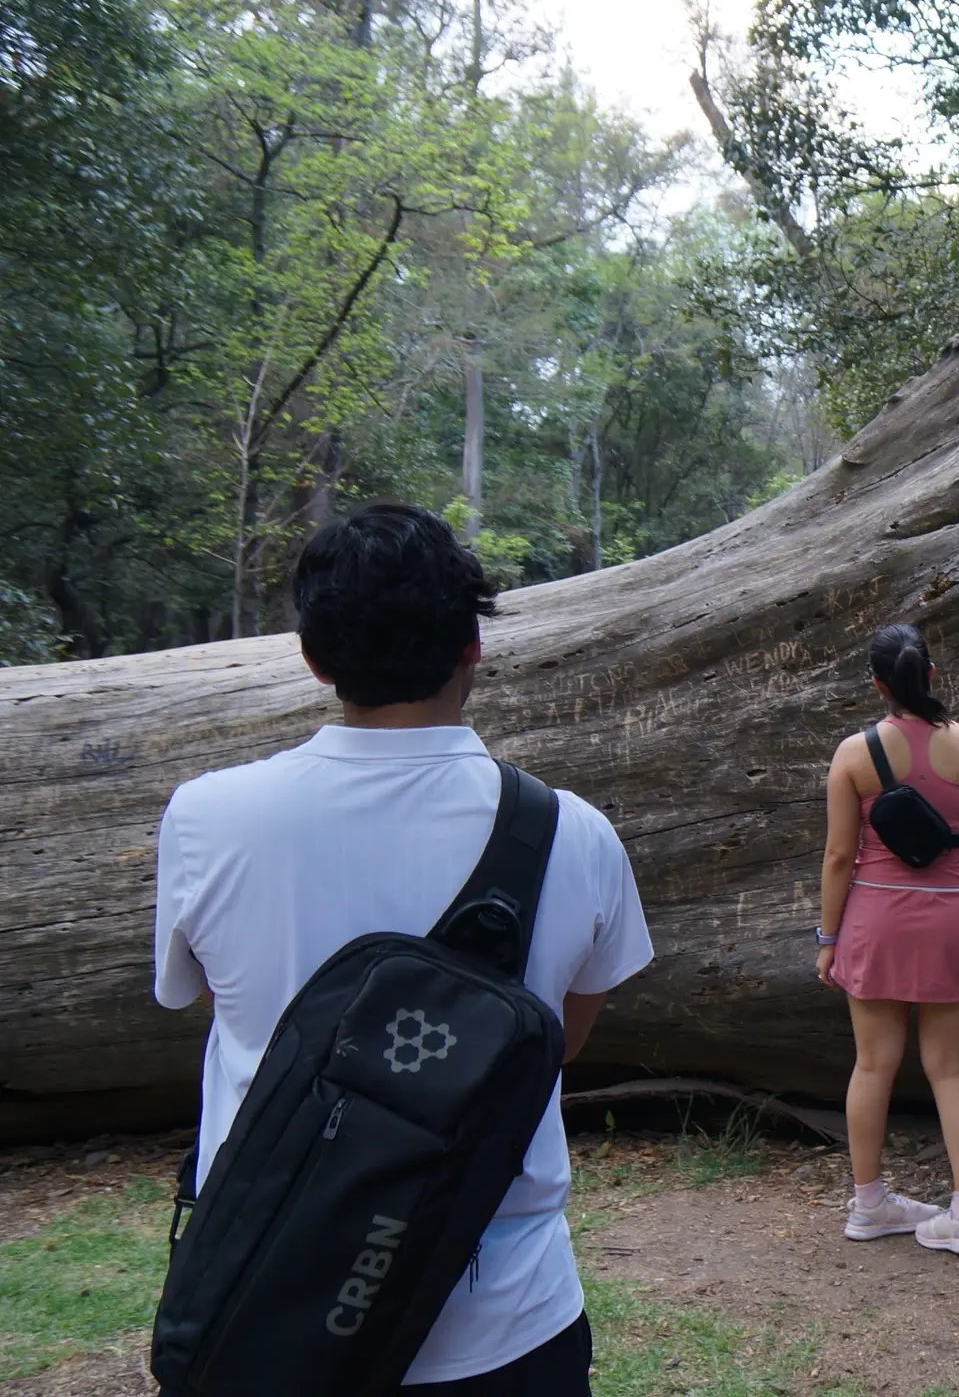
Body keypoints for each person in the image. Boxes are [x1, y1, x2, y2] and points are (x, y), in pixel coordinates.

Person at [153, 503, 652, 1394]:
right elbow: (556, 1044)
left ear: (313, 658)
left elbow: (214, 1004)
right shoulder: (574, 834)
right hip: (509, 1318)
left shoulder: (207, 816)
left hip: (268, 1305)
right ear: (473, 646)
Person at [816, 623, 959, 1256]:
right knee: (951, 1069)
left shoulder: (854, 754)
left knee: (872, 1064)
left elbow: (839, 856)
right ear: (933, 676)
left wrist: (828, 938)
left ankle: (869, 1205)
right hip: (952, 921)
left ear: (877, 684)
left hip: (875, 921)